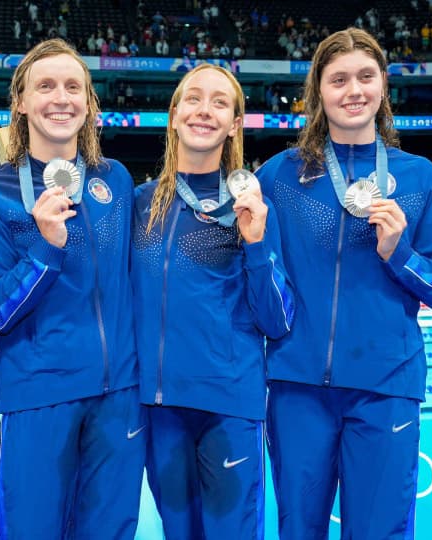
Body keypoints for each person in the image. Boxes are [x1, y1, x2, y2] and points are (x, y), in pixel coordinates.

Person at [255, 28, 432, 539]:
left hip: (385, 387)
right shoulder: (280, 177)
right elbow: (257, 280)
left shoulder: (418, 177)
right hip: (297, 388)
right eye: (339, 79)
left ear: (383, 86)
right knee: (299, 530)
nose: (354, 90)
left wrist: (401, 254)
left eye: (366, 77)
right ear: (318, 92)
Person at [0, 38, 145, 539]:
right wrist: (46, 250)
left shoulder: (115, 178)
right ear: (21, 102)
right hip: (39, 398)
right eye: (45, 86)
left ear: (89, 103)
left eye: (73, 87)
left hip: (119, 396)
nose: (61, 98)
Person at [131, 64, 295, 539]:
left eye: (220, 102)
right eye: (194, 99)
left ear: (235, 124)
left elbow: (278, 319)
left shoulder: (253, 207)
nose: (205, 110)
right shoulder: (140, 202)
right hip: (160, 408)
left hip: (229, 405)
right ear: (175, 114)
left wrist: (257, 244)